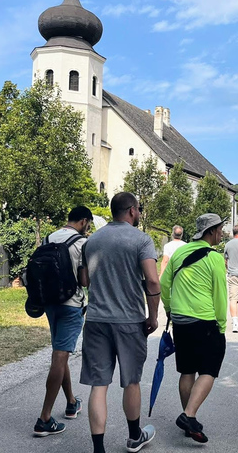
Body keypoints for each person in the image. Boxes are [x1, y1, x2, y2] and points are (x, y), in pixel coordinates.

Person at [80, 192, 161, 453]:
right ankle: (134, 436)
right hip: (129, 321)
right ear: (132, 211)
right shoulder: (141, 240)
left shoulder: (91, 241)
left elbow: (85, 280)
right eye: (138, 209)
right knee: (132, 381)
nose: (139, 213)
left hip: (96, 320)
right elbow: (152, 281)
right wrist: (153, 315)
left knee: (99, 385)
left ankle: (99, 449)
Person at [160, 213, 228, 443]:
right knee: (209, 369)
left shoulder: (179, 252)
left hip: (180, 320)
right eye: (219, 229)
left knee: (187, 370)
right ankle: (189, 415)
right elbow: (219, 294)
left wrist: (170, 309)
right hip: (205, 320)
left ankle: (189, 420)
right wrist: (222, 324)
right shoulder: (215, 258)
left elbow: (164, 283)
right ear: (210, 231)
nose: (221, 233)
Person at [33, 206, 92, 437]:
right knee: (60, 356)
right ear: (84, 221)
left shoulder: (49, 237)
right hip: (71, 305)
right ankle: (45, 418)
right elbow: (84, 281)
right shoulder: (82, 243)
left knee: (60, 352)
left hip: (49, 303)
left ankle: (70, 402)